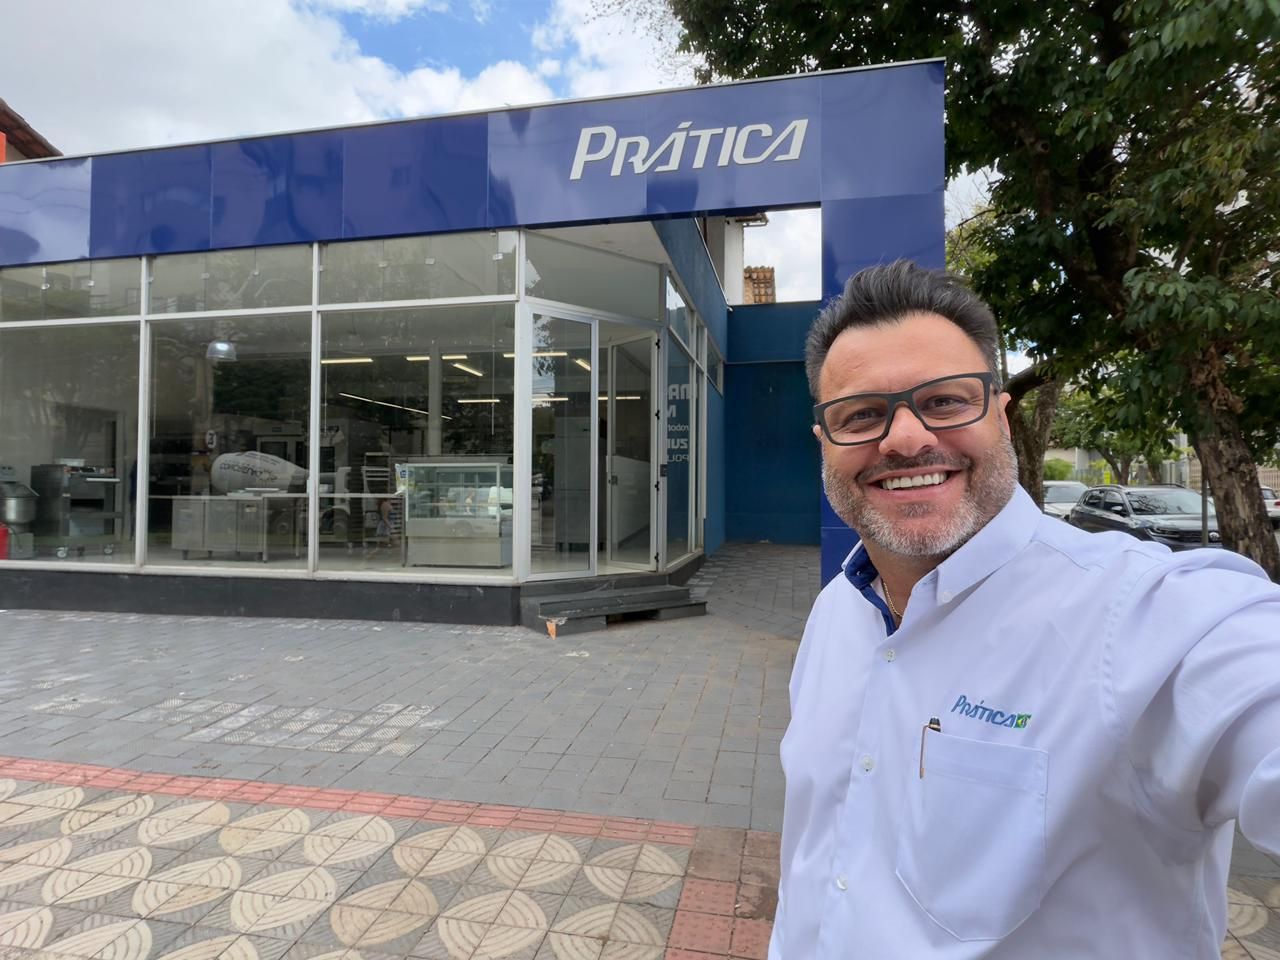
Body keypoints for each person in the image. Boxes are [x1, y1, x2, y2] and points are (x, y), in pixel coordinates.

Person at [770, 260, 1280, 958]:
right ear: (824, 445)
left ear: (1001, 417)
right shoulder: (836, 612)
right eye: (861, 415)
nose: (906, 438)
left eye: (945, 401)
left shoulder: (1146, 618)